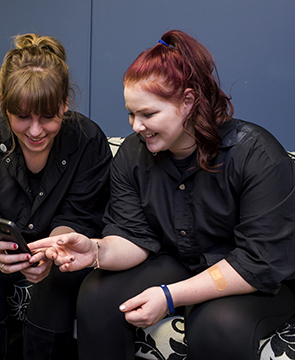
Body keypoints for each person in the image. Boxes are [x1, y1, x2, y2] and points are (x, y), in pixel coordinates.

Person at [28, 30, 295, 360]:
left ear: (187, 101)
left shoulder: (256, 155)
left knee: (218, 324)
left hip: (251, 278)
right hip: (178, 260)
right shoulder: (132, 154)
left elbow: (258, 262)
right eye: (131, 113)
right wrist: (94, 251)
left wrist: (169, 296)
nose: (136, 126)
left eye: (148, 114)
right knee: (97, 296)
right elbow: (132, 236)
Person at [0, 33, 111, 359]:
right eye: (22, 116)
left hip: (59, 246)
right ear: (3, 102)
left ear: (65, 104)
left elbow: (79, 216)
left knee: (60, 280)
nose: (35, 131)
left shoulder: (88, 140)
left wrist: (53, 250)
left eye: (48, 116)